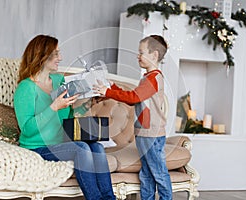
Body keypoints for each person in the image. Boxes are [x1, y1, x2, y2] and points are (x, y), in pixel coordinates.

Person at [13, 34, 116, 200]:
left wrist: (88, 105)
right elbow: (27, 129)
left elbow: (67, 116)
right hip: (36, 146)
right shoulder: (25, 88)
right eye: (55, 54)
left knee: (97, 148)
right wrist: (53, 107)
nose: (60, 58)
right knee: (81, 148)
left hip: (60, 142)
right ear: (42, 56)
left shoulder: (59, 80)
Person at [93, 35, 172, 200]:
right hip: (144, 133)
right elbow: (134, 100)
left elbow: (133, 98)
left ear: (154, 55)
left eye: (141, 52)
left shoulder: (155, 78)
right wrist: (112, 88)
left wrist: (108, 92)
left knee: (158, 172)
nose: (138, 55)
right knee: (146, 173)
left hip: (152, 133)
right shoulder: (146, 78)